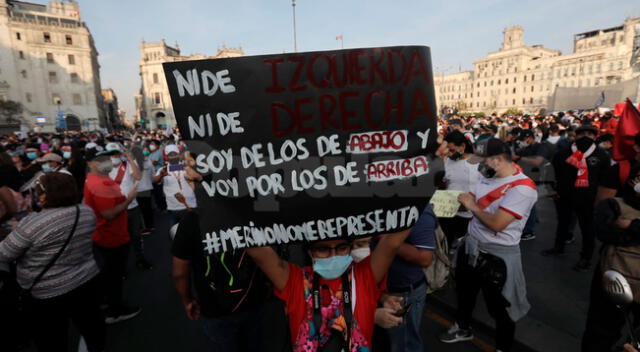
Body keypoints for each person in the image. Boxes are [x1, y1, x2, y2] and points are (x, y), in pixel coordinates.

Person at [439, 138, 537, 352]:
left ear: (499, 160)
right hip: (471, 247)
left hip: (497, 257)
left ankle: (503, 347)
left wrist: (471, 205)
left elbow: (497, 224)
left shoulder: (523, 188)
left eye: (483, 160)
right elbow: (469, 198)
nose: (479, 165)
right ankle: (463, 327)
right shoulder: (487, 177)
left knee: (501, 307)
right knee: (465, 293)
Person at [247, 228, 411, 351]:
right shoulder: (295, 280)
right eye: (323, 249)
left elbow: (393, 242)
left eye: (341, 248)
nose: (334, 255)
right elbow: (259, 254)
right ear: (310, 252)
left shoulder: (363, 276)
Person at [0, 172, 105, 352]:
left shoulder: (32, 223)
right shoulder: (86, 211)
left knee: (51, 338)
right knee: (90, 325)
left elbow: (4, 253)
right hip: (85, 279)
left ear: (44, 195)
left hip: (46, 291)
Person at [171, 211, 288, 352]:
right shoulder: (250, 211)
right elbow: (270, 255)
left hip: (213, 307)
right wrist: (270, 283)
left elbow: (179, 272)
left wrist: (187, 300)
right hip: (252, 299)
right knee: (255, 342)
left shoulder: (192, 219)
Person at [83, 147, 141, 324]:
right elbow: (109, 213)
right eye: (104, 159)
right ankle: (115, 311)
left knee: (109, 273)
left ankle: (107, 303)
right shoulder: (99, 184)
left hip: (106, 235)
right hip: (111, 237)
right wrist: (128, 199)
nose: (109, 161)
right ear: (92, 164)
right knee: (113, 275)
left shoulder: (95, 179)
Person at [582, 175, 640, 351]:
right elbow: (605, 232)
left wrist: (631, 226)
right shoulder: (614, 204)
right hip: (613, 280)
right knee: (600, 331)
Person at [542, 124, 611, 271]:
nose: (586, 136)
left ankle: (586, 257)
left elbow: (605, 180)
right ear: (575, 136)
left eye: (590, 134)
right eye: (582, 133)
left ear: (595, 137)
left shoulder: (601, 155)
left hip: (588, 198)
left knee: (587, 228)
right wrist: (552, 190)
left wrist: (600, 200)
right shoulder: (564, 153)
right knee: (563, 223)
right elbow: (551, 172)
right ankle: (558, 247)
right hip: (565, 195)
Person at [385, 205, 436, 352]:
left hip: (402, 293)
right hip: (380, 290)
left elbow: (424, 258)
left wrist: (384, 238)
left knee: (404, 343)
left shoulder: (419, 210)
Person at [105, 142, 152, 270]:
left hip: (132, 208)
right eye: (111, 154)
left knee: (136, 236)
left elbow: (138, 176)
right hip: (115, 209)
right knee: (119, 239)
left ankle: (140, 259)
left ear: (121, 154)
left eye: (116, 153)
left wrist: (130, 159)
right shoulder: (104, 168)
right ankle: (121, 266)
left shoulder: (128, 164)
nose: (114, 156)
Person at [436, 130, 481, 246]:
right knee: (446, 245)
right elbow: (442, 184)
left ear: (462, 146)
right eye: (447, 150)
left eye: (452, 150)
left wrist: (469, 205)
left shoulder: (477, 162)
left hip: (468, 216)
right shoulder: (447, 160)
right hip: (446, 212)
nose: (449, 153)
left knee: (463, 248)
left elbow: (485, 188)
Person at [513, 129, 553, 241]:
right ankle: (533, 221)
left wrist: (519, 158)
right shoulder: (525, 149)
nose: (522, 142)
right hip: (525, 177)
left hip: (536, 178)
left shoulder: (541, 147)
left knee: (529, 204)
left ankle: (528, 231)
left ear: (530, 137)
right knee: (529, 203)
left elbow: (537, 161)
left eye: (524, 139)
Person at [153, 144, 197, 227]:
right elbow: (155, 180)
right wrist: (161, 175)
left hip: (189, 205)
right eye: (170, 155)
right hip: (173, 207)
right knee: (175, 233)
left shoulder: (186, 167)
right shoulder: (163, 169)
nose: (172, 157)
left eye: (174, 154)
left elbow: (196, 176)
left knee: (191, 231)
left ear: (179, 154)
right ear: (167, 157)